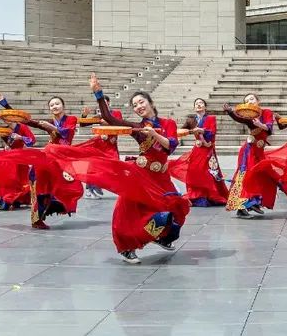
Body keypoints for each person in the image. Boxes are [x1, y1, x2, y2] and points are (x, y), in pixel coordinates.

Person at [44, 74, 190, 264]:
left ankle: (161, 237)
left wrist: (154, 134)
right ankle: (127, 248)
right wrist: (98, 93)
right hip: (141, 174)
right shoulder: (137, 127)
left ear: (151, 103)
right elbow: (108, 118)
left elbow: (170, 146)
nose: (139, 106)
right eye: (135, 105)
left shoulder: (167, 123)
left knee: (177, 208)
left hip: (161, 177)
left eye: (141, 102)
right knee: (129, 211)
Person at [0, 93, 83, 229]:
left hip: (64, 157)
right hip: (50, 156)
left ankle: (56, 203)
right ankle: (37, 218)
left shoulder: (71, 119)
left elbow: (67, 133)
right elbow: (27, 121)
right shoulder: (49, 122)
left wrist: (51, 127)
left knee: (70, 185)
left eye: (57, 104)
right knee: (38, 181)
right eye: (52, 105)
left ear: (63, 106)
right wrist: (6, 106)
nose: (54, 106)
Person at [224, 94, 286, 218]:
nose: (250, 102)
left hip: (259, 150)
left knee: (262, 175)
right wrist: (230, 111)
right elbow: (239, 118)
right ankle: (246, 204)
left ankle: (253, 202)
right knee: (247, 175)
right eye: (247, 101)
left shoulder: (266, 112)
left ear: (258, 101)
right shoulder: (248, 115)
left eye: (252, 99)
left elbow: (269, 128)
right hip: (249, 150)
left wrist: (259, 124)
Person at [168, 98, 228, 206]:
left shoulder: (211, 118)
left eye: (201, 103)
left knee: (208, 171)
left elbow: (212, 132)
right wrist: (180, 132)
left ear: (205, 106)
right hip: (197, 149)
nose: (199, 105)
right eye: (196, 104)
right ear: (194, 107)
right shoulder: (191, 120)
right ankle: (197, 195)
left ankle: (211, 195)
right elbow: (181, 131)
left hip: (208, 149)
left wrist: (202, 131)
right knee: (194, 171)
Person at [0, 95, 36, 210]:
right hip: (8, 157)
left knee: (19, 179)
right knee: (4, 174)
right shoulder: (5, 130)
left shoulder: (22, 127)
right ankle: (6, 197)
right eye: (4, 118)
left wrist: (21, 138)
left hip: (19, 157)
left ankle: (16, 198)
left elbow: (32, 141)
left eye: (8, 117)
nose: (6, 120)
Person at [78, 102, 123, 199]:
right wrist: (84, 115)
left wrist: (108, 126)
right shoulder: (99, 116)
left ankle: (96, 186)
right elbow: (82, 124)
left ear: (109, 103)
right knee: (95, 165)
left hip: (111, 145)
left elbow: (120, 124)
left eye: (104, 103)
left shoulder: (116, 113)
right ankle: (90, 189)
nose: (102, 105)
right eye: (100, 104)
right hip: (100, 143)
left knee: (114, 165)